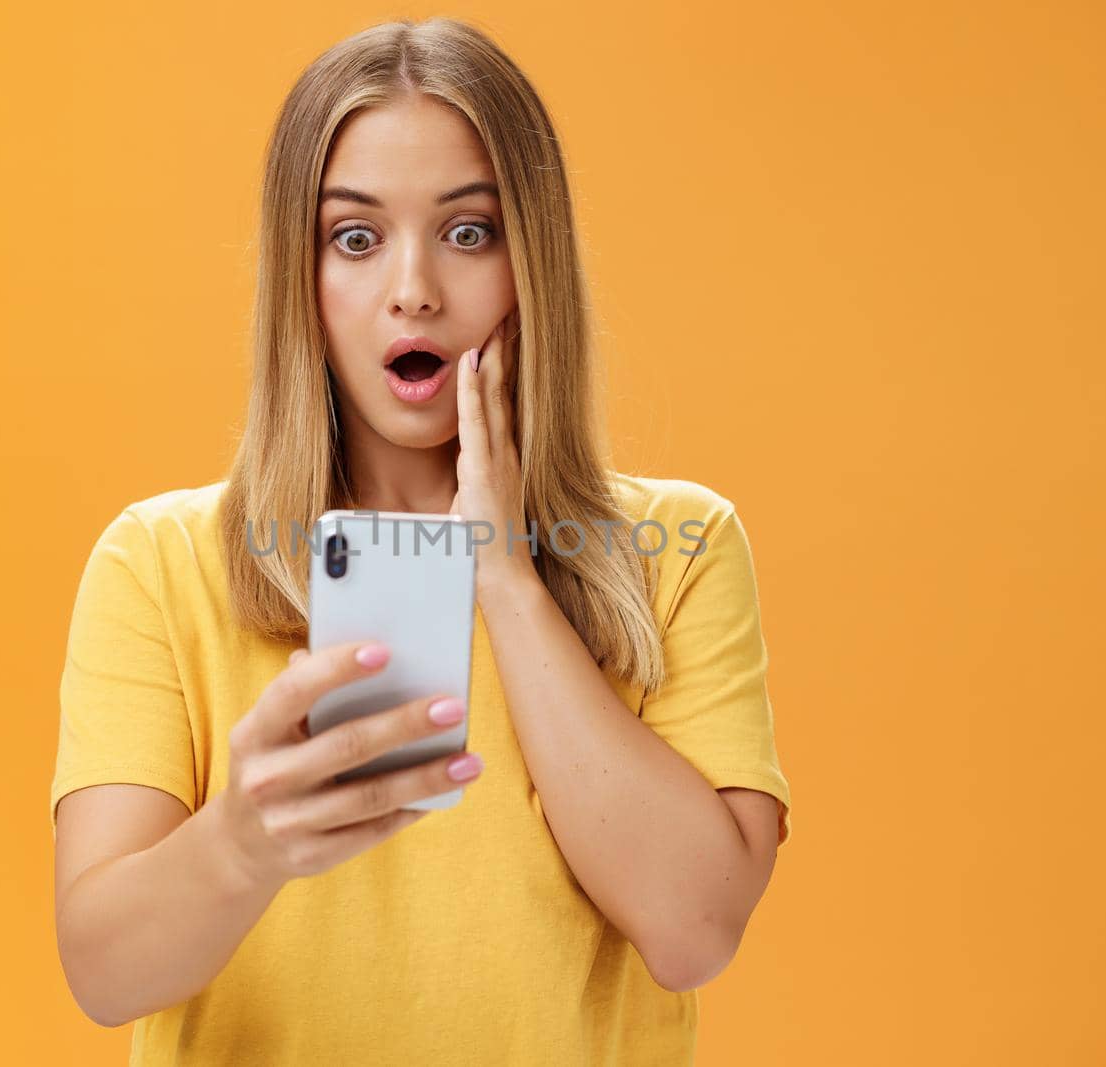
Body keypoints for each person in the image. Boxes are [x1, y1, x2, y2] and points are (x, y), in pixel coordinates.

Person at [51, 16, 792, 1065]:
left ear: (530, 258)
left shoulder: (680, 547)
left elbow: (694, 927)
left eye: (468, 231)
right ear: (300, 278)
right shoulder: (158, 564)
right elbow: (105, 971)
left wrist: (504, 571)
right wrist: (242, 840)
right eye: (355, 237)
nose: (414, 289)